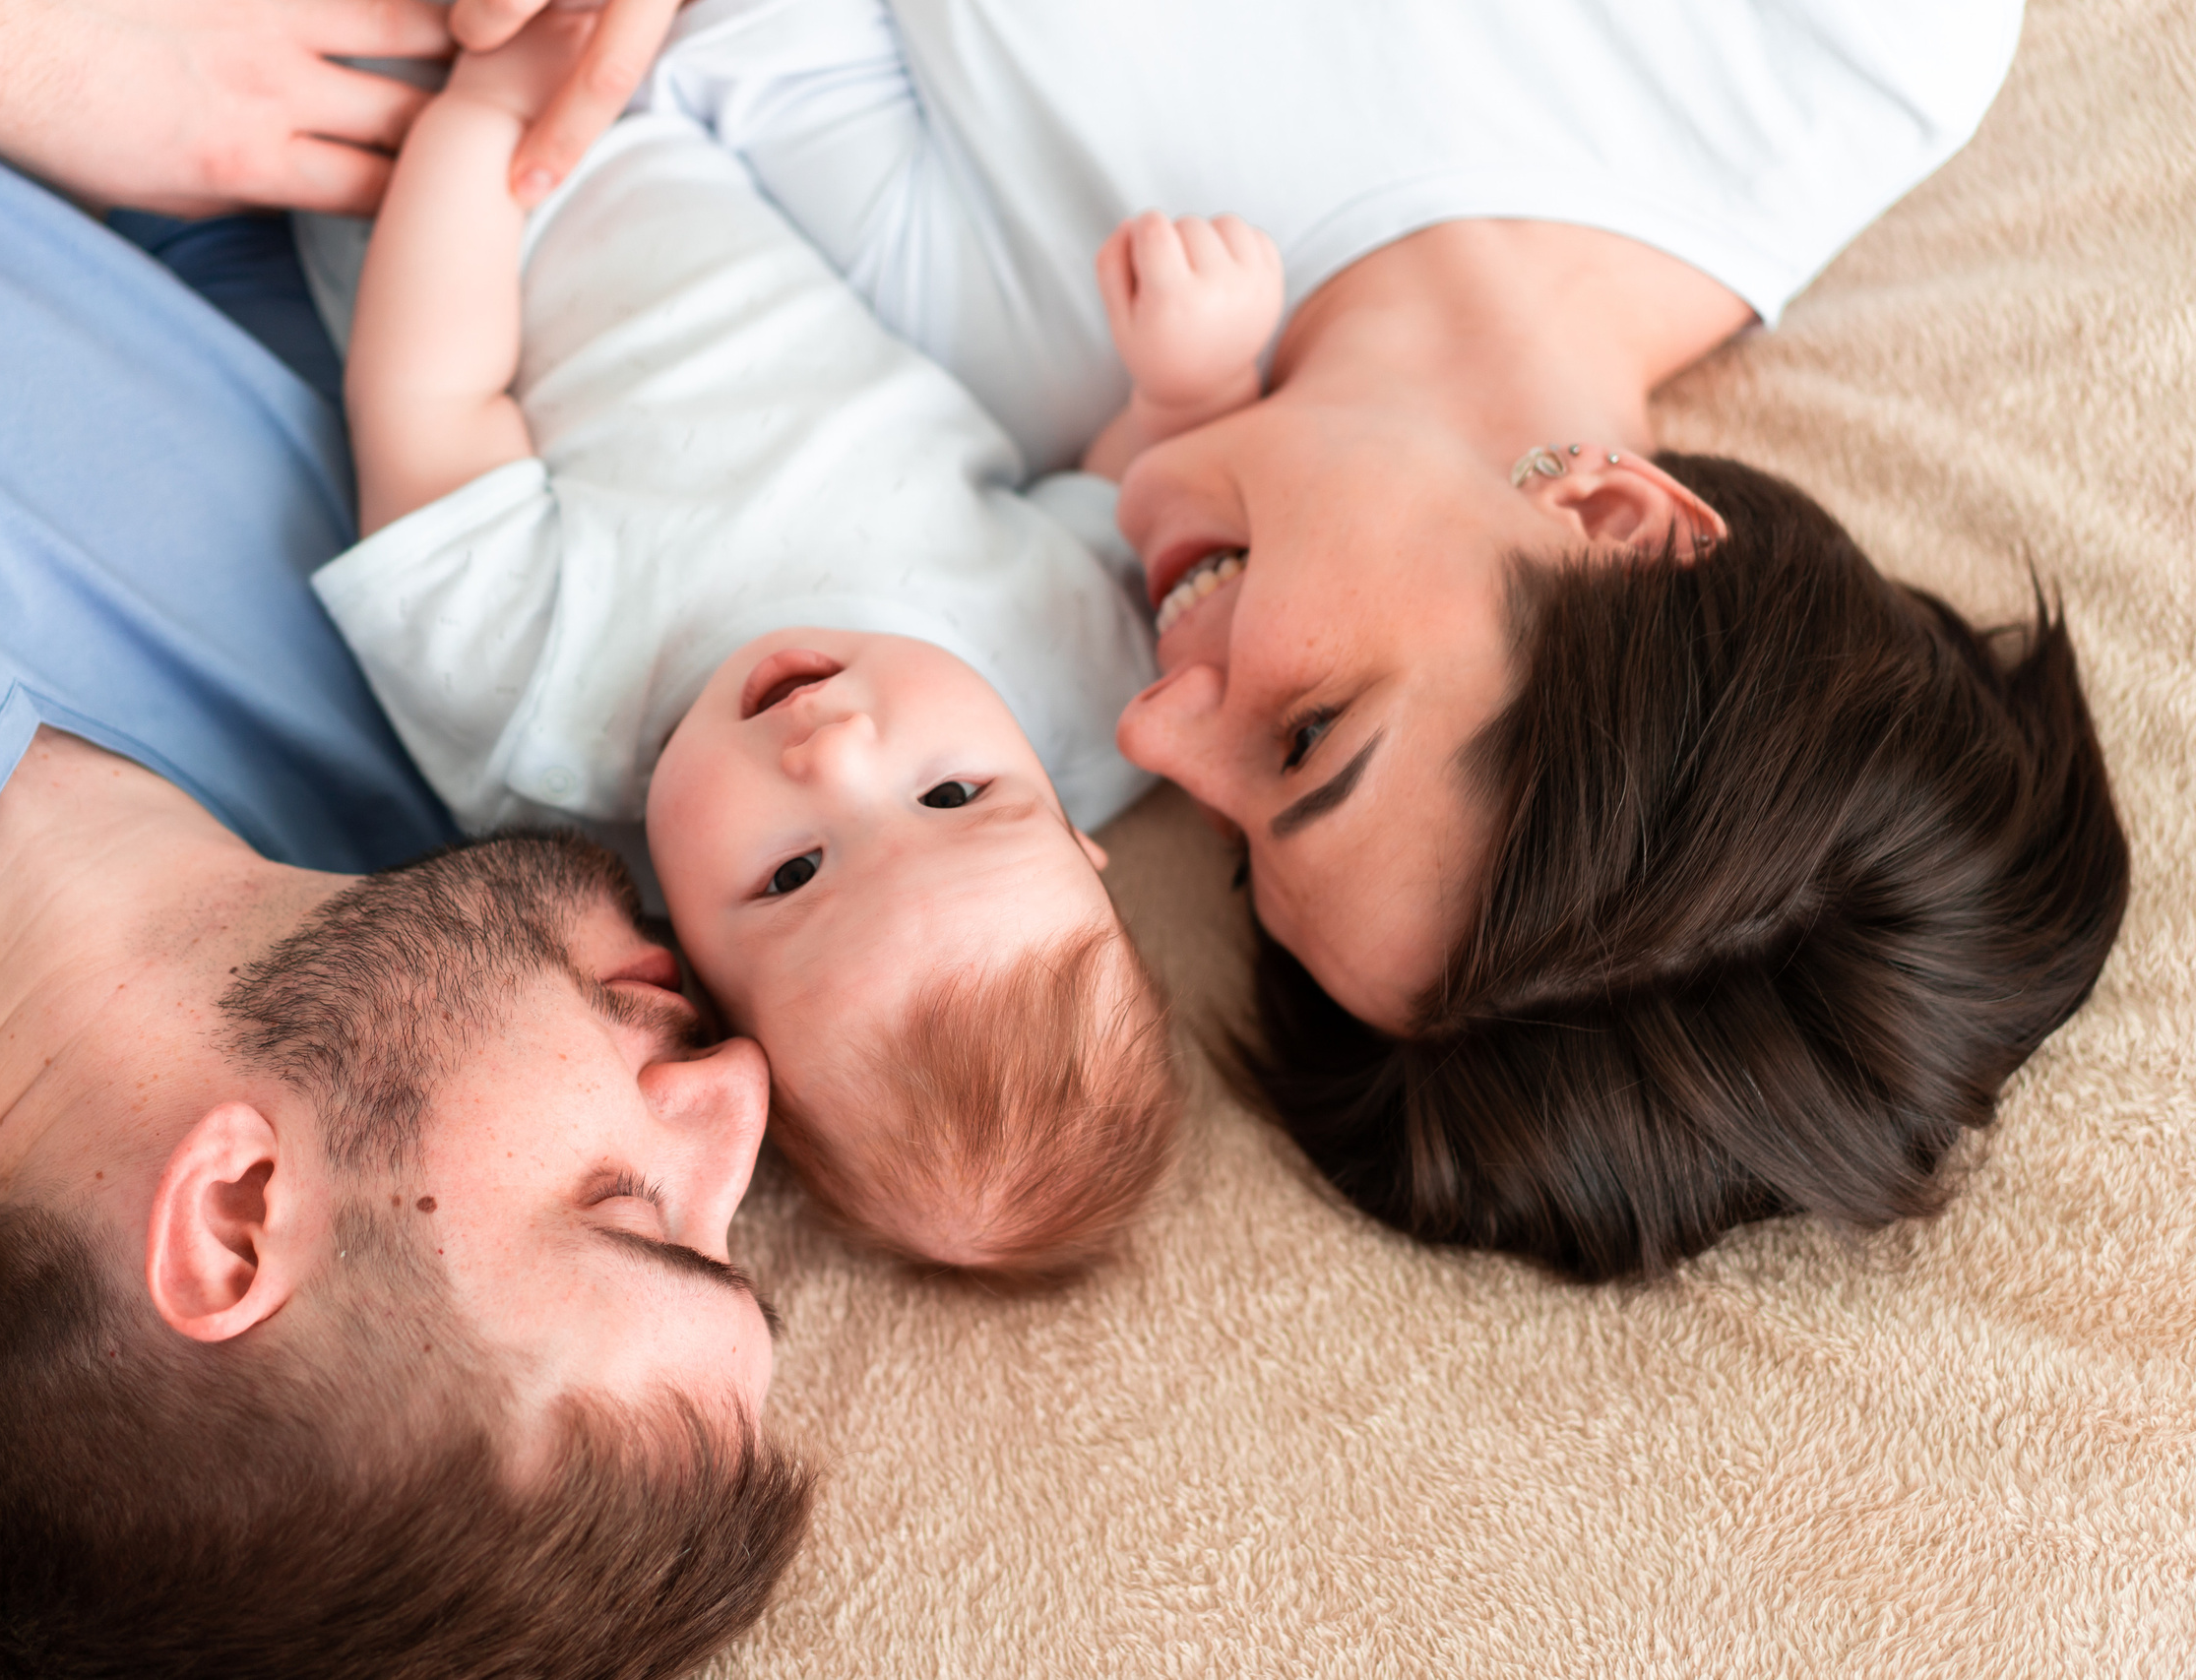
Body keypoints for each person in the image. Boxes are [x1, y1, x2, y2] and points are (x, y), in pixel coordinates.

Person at [620, 0, 2133, 1280]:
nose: (1148, 729)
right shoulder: (1844, 56)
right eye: (1307, 735)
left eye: (1234, 838)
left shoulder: (963, 362)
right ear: (1615, 520)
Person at [0, 8, 812, 1674]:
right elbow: (268, 97)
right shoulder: (420, 693)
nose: (740, 1095)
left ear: (237, 1212)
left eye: (638, 1211)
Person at [311, 42, 1180, 1279]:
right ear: (1077, 839)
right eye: (949, 796)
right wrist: (1184, 377)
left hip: (446, 161)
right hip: (694, 88)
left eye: (791, 873)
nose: (832, 753)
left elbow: (426, 396)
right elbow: (1121, 479)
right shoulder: (1081, 681)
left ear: (694, 977)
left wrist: (489, 111)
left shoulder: (536, 712)